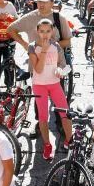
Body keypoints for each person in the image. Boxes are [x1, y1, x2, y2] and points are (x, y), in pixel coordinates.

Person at [28, 19, 72, 158]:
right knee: (43, 117)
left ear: (52, 31)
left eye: (48, 31)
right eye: (42, 31)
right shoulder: (32, 47)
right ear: (37, 31)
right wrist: (44, 51)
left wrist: (60, 70)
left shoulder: (57, 46)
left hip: (54, 84)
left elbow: (63, 64)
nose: (45, 34)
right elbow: (39, 69)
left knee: (65, 113)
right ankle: (47, 144)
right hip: (39, 85)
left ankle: (69, 140)